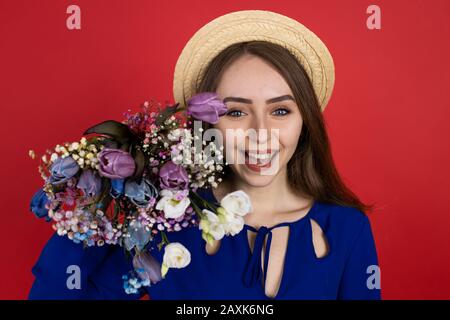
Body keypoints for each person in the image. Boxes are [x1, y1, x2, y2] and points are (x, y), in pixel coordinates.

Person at [29, 10, 381, 300]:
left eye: (280, 111)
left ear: (305, 121)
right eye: (236, 112)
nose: (261, 134)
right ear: (207, 123)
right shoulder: (166, 222)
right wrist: (86, 211)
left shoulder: (347, 228)